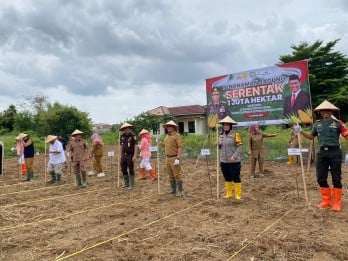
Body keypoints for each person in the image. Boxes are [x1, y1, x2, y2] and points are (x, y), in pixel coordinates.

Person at [295, 100, 348, 212]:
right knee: (321, 178)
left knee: (336, 178)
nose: (325, 113)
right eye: (323, 111)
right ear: (321, 112)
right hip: (322, 153)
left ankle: (337, 203)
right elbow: (311, 137)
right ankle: (326, 201)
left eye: (327, 111)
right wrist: (301, 131)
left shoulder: (338, 123)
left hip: (335, 153)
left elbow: (346, 134)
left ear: (331, 111)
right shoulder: (317, 124)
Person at [216, 116, 243, 199]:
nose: (226, 126)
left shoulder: (236, 135)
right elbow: (220, 148)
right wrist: (218, 144)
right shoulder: (221, 135)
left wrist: (234, 157)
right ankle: (228, 193)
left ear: (230, 126)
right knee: (227, 177)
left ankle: (238, 195)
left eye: (227, 125)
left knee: (235, 177)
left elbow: (240, 147)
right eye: (224, 125)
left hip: (234, 161)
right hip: (224, 160)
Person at [162, 120, 183, 197]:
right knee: (170, 174)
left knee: (177, 174)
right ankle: (173, 190)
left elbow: (180, 147)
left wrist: (178, 158)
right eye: (167, 126)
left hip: (174, 157)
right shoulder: (167, 136)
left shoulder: (177, 136)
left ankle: (180, 191)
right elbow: (166, 145)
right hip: (167, 158)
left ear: (174, 127)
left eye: (170, 126)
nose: (168, 128)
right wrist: (160, 143)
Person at [119, 122, 138, 190]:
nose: (127, 129)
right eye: (125, 128)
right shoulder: (122, 136)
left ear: (129, 128)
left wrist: (135, 155)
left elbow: (136, 146)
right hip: (124, 155)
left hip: (130, 155)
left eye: (128, 128)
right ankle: (126, 183)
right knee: (123, 169)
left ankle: (131, 185)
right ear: (124, 129)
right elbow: (121, 145)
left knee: (131, 169)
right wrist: (120, 155)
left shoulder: (133, 136)